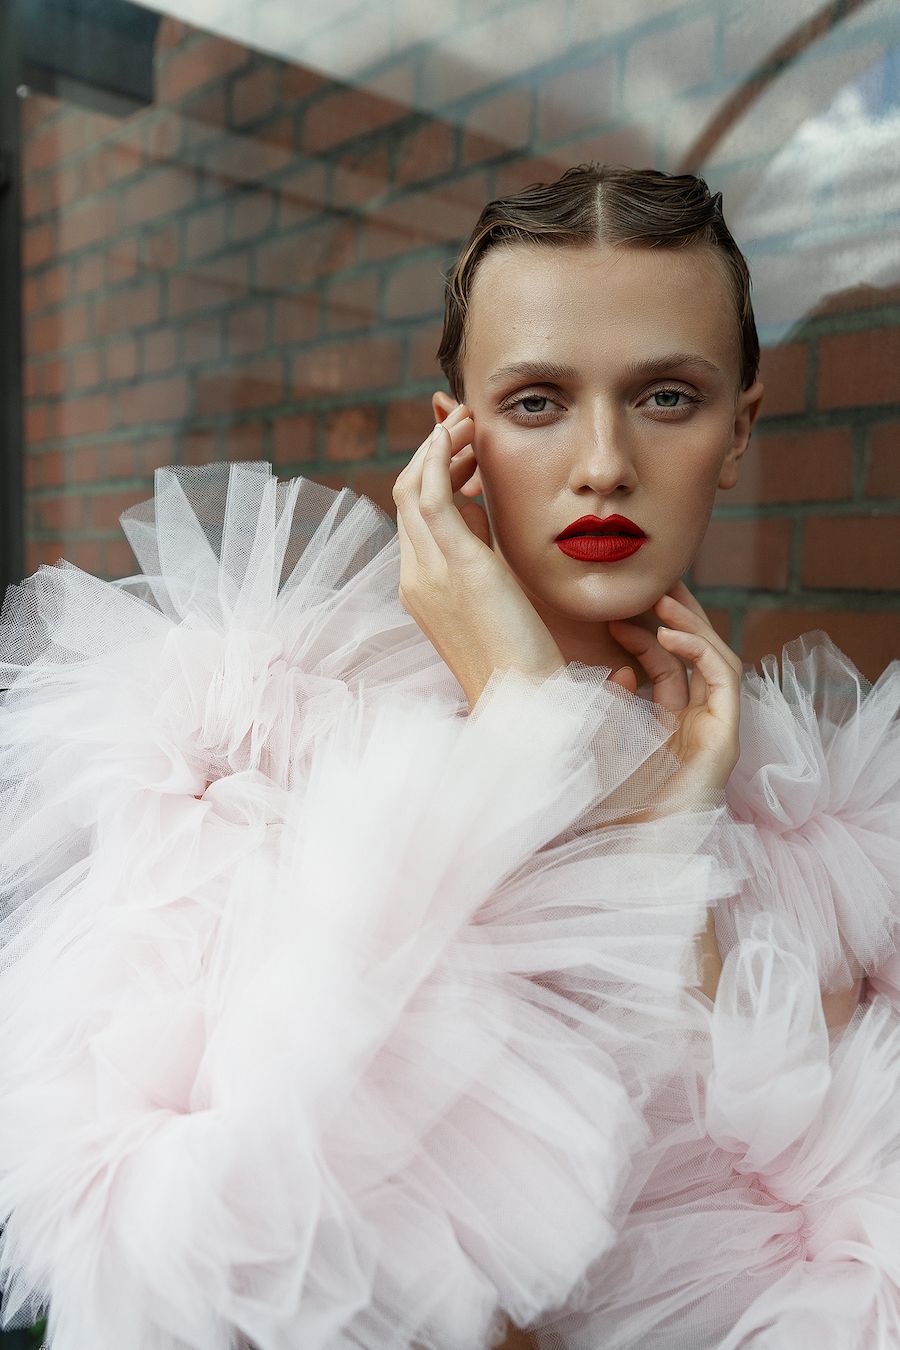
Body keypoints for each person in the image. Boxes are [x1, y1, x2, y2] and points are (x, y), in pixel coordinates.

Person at [0, 165, 896, 1350]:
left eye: (667, 397)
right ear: (454, 437)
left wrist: (662, 874)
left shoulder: (834, 845)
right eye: (537, 401)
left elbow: (846, 1298)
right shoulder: (249, 740)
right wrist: (523, 730)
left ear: (739, 430)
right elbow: (188, 1270)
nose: (604, 462)